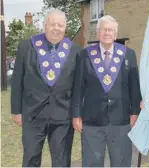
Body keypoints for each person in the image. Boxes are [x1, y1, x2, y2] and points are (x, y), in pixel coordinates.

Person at [10, 9, 81, 167]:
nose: (56, 28)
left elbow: (78, 86)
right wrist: (16, 111)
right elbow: (17, 80)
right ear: (44, 25)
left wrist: (77, 114)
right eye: (52, 24)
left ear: (65, 28)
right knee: (31, 158)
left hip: (63, 115)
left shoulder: (75, 50)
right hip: (32, 113)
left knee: (61, 160)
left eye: (60, 25)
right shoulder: (26, 46)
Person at [71, 15, 141, 167]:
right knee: (92, 163)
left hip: (121, 120)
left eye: (111, 30)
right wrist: (76, 114)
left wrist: (135, 112)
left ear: (116, 34)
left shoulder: (129, 54)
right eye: (104, 30)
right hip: (92, 121)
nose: (107, 33)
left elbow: (134, 86)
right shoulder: (84, 55)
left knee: (121, 162)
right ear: (98, 33)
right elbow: (78, 87)